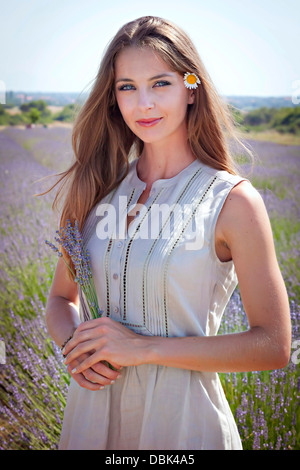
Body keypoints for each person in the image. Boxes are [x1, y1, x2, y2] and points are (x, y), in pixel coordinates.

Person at [45, 16, 291, 450]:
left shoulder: (232, 201)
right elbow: (61, 299)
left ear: (190, 87)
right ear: (113, 97)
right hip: (91, 420)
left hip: (184, 427)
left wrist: (143, 349)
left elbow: (272, 344)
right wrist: (77, 349)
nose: (143, 104)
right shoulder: (95, 190)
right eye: (127, 87)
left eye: (160, 83)